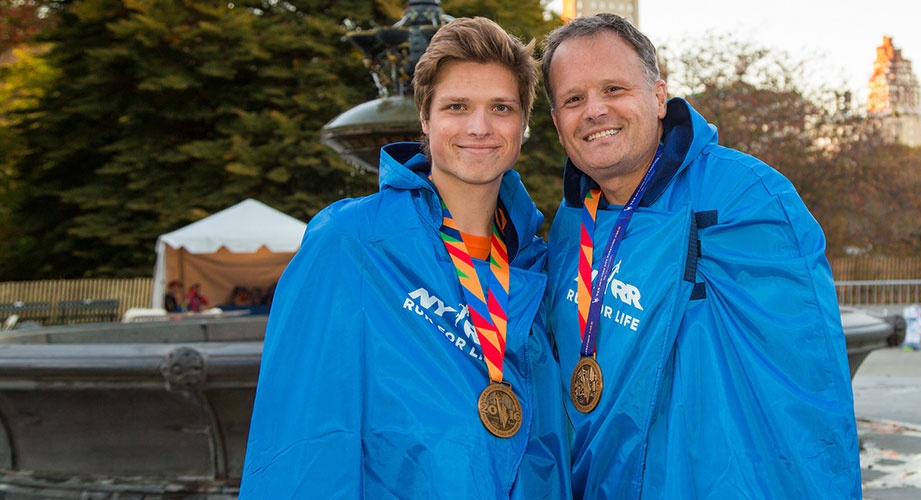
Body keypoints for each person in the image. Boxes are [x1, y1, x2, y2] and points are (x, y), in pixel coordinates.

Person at [240, 17, 570, 498]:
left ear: (523, 124)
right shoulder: (351, 242)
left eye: (501, 107)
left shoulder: (537, 263)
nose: (480, 127)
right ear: (425, 119)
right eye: (457, 106)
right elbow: (301, 442)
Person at [540, 13, 859, 498]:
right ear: (557, 121)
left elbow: (804, 395)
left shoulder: (746, 197)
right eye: (573, 99)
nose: (595, 111)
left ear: (658, 95)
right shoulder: (569, 225)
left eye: (613, 89)